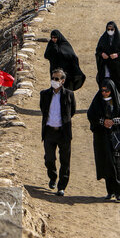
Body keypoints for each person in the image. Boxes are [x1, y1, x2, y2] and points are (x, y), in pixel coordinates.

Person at [87, 79, 120, 202]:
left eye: (107, 90)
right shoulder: (97, 102)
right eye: (103, 90)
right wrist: (102, 122)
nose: (104, 93)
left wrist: (114, 121)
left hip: (115, 138)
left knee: (116, 163)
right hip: (102, 138)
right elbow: (91, 115)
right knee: (106, 163)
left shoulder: (117, 102)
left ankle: (118, 192)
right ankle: (110, 191)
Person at [39, 68, 76, 196]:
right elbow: (43, 110)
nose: (54, 81)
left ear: (62, 81)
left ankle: (61, 187)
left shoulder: (69, 95)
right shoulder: (44, 94)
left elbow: (72, 111)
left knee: (65, 160)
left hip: (63, 132)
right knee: (49, 158)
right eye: (52, 78)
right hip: (49, 131)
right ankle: (52, 177)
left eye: (56, 79)